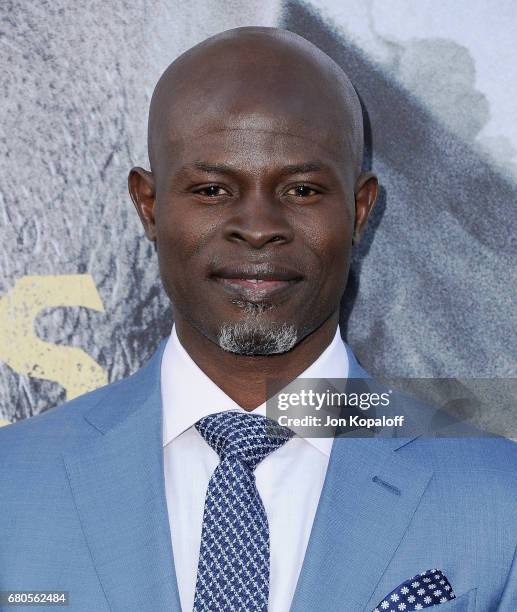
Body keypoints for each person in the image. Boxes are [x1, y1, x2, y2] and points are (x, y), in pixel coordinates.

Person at [0, 27, 516, 612]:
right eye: (214, 188)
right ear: (149, 204)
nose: (258, 225)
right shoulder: (12, 486)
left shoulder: (499, 501)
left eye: (300, 190)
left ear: (359, 209)